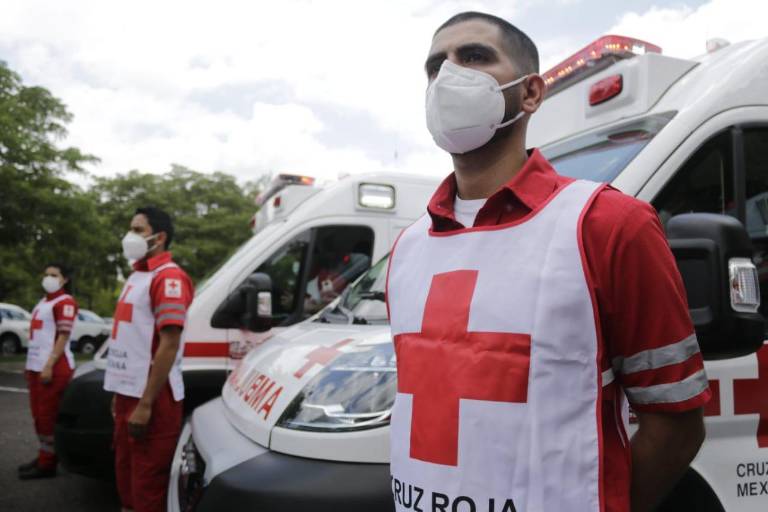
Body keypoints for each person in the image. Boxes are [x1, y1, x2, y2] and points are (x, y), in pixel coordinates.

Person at [386, 12, 709, 512]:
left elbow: (676, 424)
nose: (448, 76)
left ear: (531, 93)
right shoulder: (408, 248)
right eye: (435, 66)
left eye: (474, 57)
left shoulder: (609, 223)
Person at [103, 207, 193, 512]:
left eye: (138, 230)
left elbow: (169, 344)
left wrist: (145, 403)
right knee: (125, 474)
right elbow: (131, 340)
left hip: (154, 398)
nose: (131, 236)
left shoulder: (168, 278)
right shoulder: (138, 276)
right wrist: (120, 391)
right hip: (129, 394)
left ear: (160, 237)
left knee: (147, 483)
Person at [19, 263, 78, 479]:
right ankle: (45, 454)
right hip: (36, 368)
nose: (48, 278)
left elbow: (63, 336)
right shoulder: (43, 302)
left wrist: (49, 365)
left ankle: (48, 464)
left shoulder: (66, 302)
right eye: (46, 274)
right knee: (38, 417)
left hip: (53, 368)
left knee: (47, 417)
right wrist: (30, 368)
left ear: (64, 280)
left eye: (54, 275)